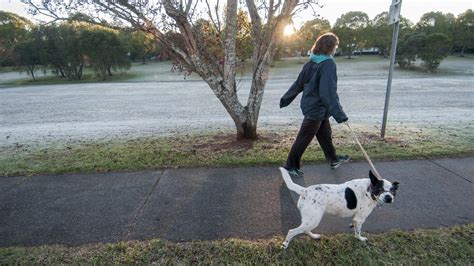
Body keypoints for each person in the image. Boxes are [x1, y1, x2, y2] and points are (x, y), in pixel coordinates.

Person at [280, 32, 349, 178]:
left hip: (317, 107)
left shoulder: (311, 61)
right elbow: (327, 93)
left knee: (325, 135)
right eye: (335, 46)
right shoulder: (328, 64)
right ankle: (291, 166)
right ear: (330, 47)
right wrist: (339, 115)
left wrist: (286, 98)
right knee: (303, 138)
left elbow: (298, 84)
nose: (336, 49)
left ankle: (333, 159)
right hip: (316, 108)